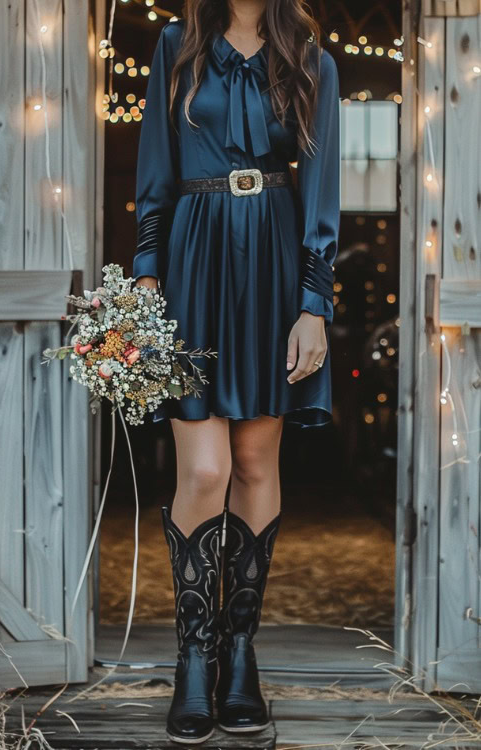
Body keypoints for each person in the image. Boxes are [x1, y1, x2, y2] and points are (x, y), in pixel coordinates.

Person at [133, 0, 340, 743]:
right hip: (193, 260)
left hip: (277, 267)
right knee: (207, 470)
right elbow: (156, 166)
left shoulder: (313, 60)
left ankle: (239, 654)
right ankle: (195, 655)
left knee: (254, 461)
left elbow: (321, 187)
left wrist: (313, 303)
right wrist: (148, 276)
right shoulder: (175, 47)